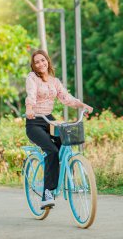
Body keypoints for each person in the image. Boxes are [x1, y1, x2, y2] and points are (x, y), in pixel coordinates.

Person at [25, 49, 93, 209]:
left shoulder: (54, 81)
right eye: (37, 62)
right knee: (52, 150)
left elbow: (66, 98)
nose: (41, 63)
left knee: (67, 142)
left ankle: (66, 178)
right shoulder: (32, 78)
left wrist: (83, 105)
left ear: (47, 61)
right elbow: (31, 94)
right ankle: (47, 193)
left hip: (50, 120)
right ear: (33, 66)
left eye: (43, 60)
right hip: (35, 122)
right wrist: (29, 108)